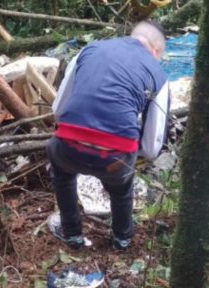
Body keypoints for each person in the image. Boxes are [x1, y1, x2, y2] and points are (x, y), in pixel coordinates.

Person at [46, 20, 170, 250]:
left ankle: (71, 233)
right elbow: (152, 148)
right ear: (157, 50)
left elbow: (58, 110)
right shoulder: (158, 75)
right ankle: (122, 239)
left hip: (69, 147)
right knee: (122, 189)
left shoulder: (89, 50)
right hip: (115, 158)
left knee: (62, 172)